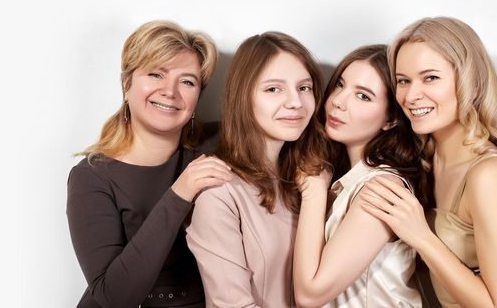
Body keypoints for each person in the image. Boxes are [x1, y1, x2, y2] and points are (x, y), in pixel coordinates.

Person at [67, 20, 233, 308]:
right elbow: (114, 297)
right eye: (156, 74)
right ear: (126, 84)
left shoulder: (218, 143)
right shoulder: (92, 177)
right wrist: (180, 193)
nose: (170, 91)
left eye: (187, 81)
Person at [359, 16, 497, 308]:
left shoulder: (488, 175)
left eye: (430, 78)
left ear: (469, 80)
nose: (412, 96)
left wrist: (421, 236)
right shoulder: (426, 159)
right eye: (403, 81)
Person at [186, 31, 326, 307]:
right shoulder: (219, 193)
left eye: (304, 88)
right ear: (244, 97)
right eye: (274, 89)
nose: (295, 102)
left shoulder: (311, 179)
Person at [292, 44, 424, 307]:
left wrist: (314, 192)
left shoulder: (382, 188)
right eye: (340, 85)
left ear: (391, 119)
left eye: (363, 96)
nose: (338, 101)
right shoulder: (348, 178)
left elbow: (310, 295)